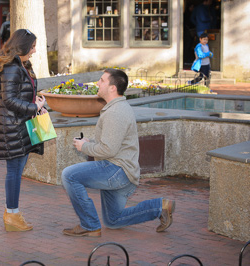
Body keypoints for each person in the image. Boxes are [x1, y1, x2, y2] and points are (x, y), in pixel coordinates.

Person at [61, 69, 175, 237]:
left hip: (116, 170)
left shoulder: (116, 112)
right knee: (113, 221)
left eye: (102, 80)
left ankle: (90, 225)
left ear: (113, 88)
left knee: (69, 175)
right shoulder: (116, 108)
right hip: (118, 168)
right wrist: (89, 143)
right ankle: (160, 207)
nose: (97, 83)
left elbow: (108, 150)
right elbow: (111, 144)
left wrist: (84, 147)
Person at [0, 29, 47, 232]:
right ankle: (12, 214)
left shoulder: (21, 64)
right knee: (14, 172)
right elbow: (9, 100)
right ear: (22, 46)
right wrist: (34, 108)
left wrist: (37, 103)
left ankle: (12, 213)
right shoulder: (12, 66)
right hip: (11, 125)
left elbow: (19, 95)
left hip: (20, 123)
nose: (35, 50)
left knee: (17, 171)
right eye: (32, 47)